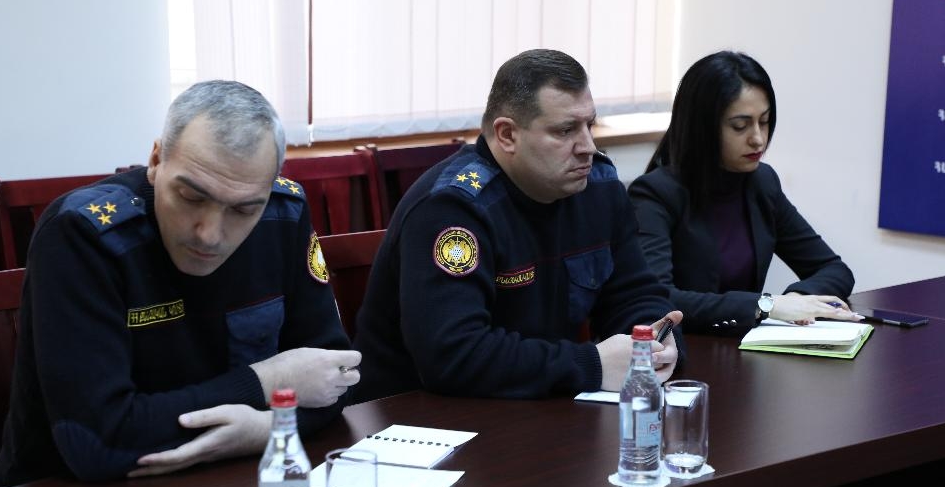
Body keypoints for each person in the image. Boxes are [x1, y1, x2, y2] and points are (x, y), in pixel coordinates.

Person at [0, 80, 361, 487]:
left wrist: (266, 429)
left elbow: (336, 375)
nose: (210, 234)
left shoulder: (283, 213)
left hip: (230, 481)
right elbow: (97, 441)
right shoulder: (84, 235)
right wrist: (267, 383)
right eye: (190, 197)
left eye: (242, 210)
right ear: (155, 161)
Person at [352, 49, 683, 403]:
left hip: (537, 403)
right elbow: (453, 355)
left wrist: (655, 342)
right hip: (416, 414)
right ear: (508, 134)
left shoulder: (598, 188)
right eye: (565, 130)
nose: (588, 147)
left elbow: (634, 293)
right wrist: (591, 364)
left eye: (590, 125)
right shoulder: (453, 209)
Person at [627, 51, 860, 333]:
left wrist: (796, 300)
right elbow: (659, 299)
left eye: (764, 121)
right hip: (681, 349)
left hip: (744, 347)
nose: (758, 139)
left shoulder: (762, 183)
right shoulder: (655, 194)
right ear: (703, 127)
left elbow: (834, 269)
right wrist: (767, 305)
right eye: (740, 126)